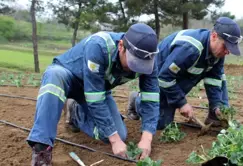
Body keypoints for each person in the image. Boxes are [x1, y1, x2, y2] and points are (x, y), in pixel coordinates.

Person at [27, 23, 161, 165]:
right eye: (133, 63)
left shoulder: (148, 60)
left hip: (97, 89)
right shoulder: (99, 46)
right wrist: (114, 141)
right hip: (69, 77)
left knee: (118, 134)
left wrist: (147, 138)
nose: (135, 69)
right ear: (121, 46)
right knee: (55, 76)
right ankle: (42, 148)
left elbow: (151, 97)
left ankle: (74, 112)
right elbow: (95, 99)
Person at [127, 17, 243, 130]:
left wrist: (216, 105)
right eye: (225, 46)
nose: (227, 52)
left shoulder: (218, 53)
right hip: (160, 76)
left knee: (221, 79)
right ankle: (137, 100)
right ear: (214, 36)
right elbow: (164, 78)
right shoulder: (190, 49)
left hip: (180, 75)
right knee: (159, 123)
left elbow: (214, 79)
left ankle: (215, 116)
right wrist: (181, 103)